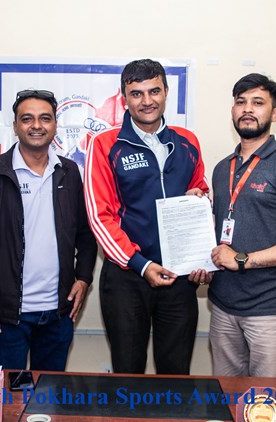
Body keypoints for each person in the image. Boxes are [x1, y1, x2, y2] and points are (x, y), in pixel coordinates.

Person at [84, 59, 209, 375]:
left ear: (166, 91)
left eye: (154, 91)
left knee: (176, 373)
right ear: (124, 98)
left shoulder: (188, 140)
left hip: (179, 277)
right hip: (127, 277)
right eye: (136, 93)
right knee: (128, 373)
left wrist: (200, 257)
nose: (147, 101)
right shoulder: (105, 144)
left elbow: (201, 193)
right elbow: (100, 217)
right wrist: (141, 264)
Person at [0, 89, 97, 371]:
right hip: (7, 317)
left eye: (45, 118)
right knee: (7, 394)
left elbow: (86, 236)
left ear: (55, 125)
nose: (36, 125)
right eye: (27, 119)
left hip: (58, 314)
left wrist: (84, 278)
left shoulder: (69, 172)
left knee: (49, 393)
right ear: (15, 126)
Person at [201, 73, 276, 377]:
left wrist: (244, 260)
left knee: (265, 400)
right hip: (222, 306)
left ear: (275, 113)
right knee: (226, 396)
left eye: (258, 102)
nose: (248, 109)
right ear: (232, 110)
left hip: (270, 309)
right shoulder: (222, 168)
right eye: (241, 102)